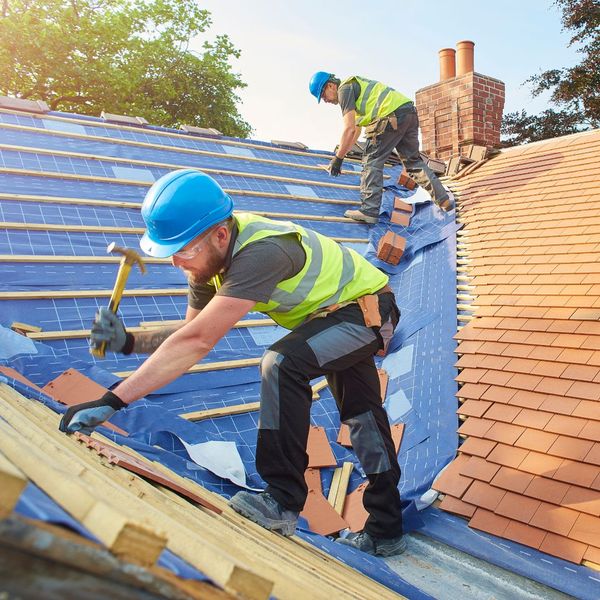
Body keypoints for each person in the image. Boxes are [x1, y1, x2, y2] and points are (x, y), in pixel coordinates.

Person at [59, 169, 406, 557]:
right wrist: (129, 342)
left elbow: (196, 342)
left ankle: (282, 500)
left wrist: (112, 401)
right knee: (362, 418)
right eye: (170, 252)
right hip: (330, 318)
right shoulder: (206, 263)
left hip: (367, 311)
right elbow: (191, 334)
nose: (176, 262)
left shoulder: (263, 252)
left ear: (220, 235)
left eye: (184, 250)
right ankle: (386, 529)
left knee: (281, 363)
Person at [309, 71, 453, 223]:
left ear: (331, 85)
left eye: (323, 95)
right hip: (408, 113)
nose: (325, 101)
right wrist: (341, 156)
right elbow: (355, 132)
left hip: (389, 116)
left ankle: (369, 210)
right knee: (413, 163)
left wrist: (337, 159)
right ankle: (443, 200)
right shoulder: (355, 91)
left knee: (371, 160)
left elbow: (349, 128)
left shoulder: (344, 90)